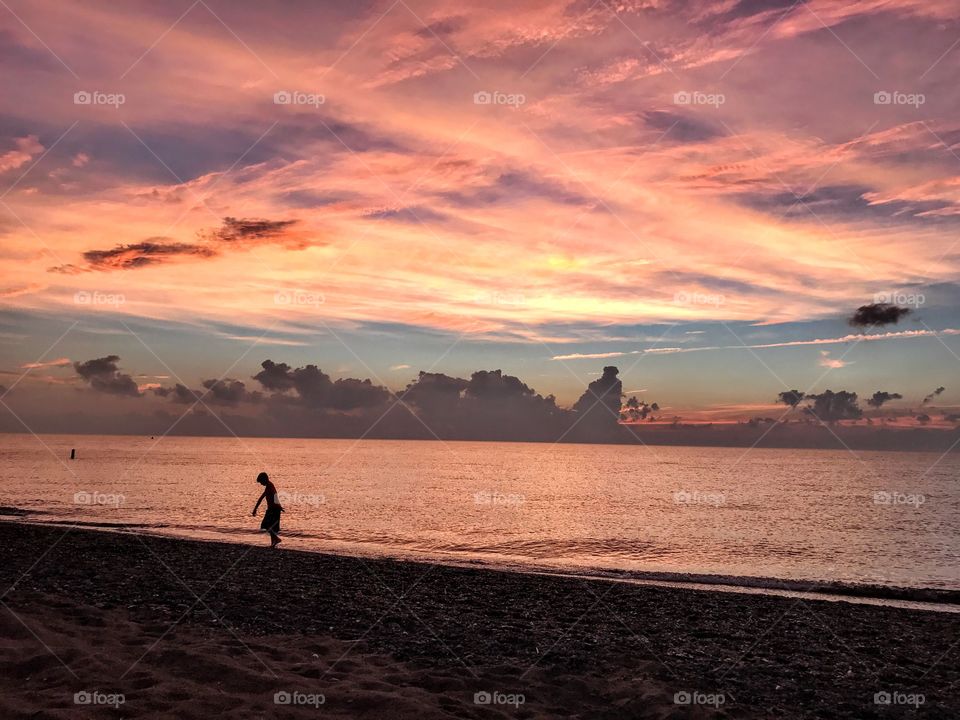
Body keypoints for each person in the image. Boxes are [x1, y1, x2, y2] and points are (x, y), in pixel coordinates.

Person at [252, 471, 283, 547]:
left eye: (261, 482)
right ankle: (273, 543)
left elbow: (274, 495)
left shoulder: (270, 486)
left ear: (265, 479)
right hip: (272, 509)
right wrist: (255, 508)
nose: (261, 484)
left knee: (266, 524)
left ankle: (276, 539)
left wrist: (279, 506)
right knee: (271, 526)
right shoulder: (268, 486)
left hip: (274, 509)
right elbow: (261, 498)